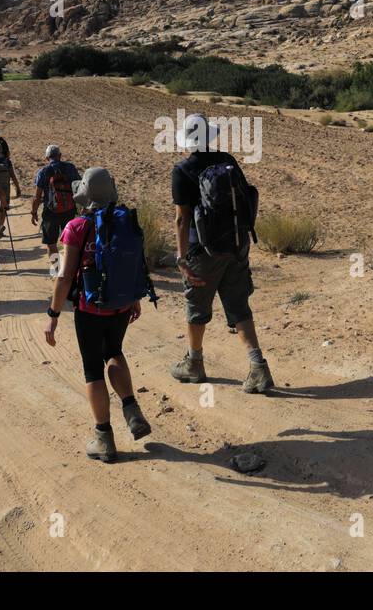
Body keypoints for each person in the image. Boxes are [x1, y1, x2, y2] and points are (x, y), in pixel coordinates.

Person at [44, 167, 153, 462]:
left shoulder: (77, 227)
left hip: (90, 308)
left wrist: (53, 313)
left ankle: (104, 438)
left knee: (93, 369)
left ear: (84, 197)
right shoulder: (125, 219)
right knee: (114, 351)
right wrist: (134, 297)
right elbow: (136, 262)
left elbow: (64, 276)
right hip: (120, 304)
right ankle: (131, 409)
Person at [168, 113, 273, 393]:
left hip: (202, 251)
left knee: (196, 308)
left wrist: (181, 258)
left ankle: (195, 364)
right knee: (239, 306)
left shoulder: (182, 171)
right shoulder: (226, 160)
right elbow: (247, 197)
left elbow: (182, 219)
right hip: (236, 244)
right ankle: (258, 367)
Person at [30, 144, 81, 262]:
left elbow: (37, 196)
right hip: (69, 210)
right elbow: (79, 187)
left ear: (47, 158)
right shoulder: (70, 168)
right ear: (60, 156)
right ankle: (70, 270)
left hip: (50, 212)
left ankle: (57, 270)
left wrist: (33, 212)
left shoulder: (43, 172)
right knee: (70, 242)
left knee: (51, 244)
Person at [0, 141, 22, 238]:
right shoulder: (7, 161)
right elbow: (13, 175)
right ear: (1, 151)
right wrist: (18, 188)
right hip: (5, 189)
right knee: (2, 210)